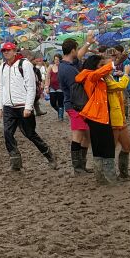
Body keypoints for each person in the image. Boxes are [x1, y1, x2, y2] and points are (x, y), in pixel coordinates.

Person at [0, 42, 57, 172]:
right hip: (8, 106)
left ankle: (49, 154)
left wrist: (28, 107)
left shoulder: (24, 64)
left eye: (8, 50)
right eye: (4, 51)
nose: (6, 53)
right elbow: (1, 87)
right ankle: (15, 161)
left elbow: (31, 87)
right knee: (7, 133)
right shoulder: (2, 67)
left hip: (23, 105)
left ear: (14, 51)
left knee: (30, 134)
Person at [74, 53, 118, 185]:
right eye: (100, 65)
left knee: (98, 147)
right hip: (99, 116)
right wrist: (113, 64)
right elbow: (98, 73)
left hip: (94, 116)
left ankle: (100, 177)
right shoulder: (91, 76)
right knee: (108, 147)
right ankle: (110, 178)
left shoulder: (92, 77)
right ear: (94, 67)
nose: (102, 67)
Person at [57, 33, 97, 177]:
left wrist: (88, 43)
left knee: (87, 136)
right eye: (76, 49)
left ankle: (82, 165)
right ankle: (78, 167)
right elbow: (77, 89)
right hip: (75, 106)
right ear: (72, 50)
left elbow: (78, 56)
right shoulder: (67, 70)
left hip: (77, 106)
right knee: (78, 135)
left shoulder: (66, 64)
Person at [106, 58, 130, 179]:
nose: (113, 64)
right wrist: (126, 73)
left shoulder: (110, 76)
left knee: (127, 146)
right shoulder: (104, 79)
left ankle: (123, 173)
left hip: (120, 116)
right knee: (111, 149)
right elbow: (120, 86)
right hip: (112, 118)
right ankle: (110, 175)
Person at [47, 54, 65, 120]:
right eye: (55, 59)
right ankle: (59, 111)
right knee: (53, 103)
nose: (56, 61)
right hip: (52, 87)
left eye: (58, 59)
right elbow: (47, 77)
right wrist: (46, 86)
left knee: (60, 102)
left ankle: (60, 116)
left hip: (60, 88)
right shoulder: (51, 66)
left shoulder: (62, 67)